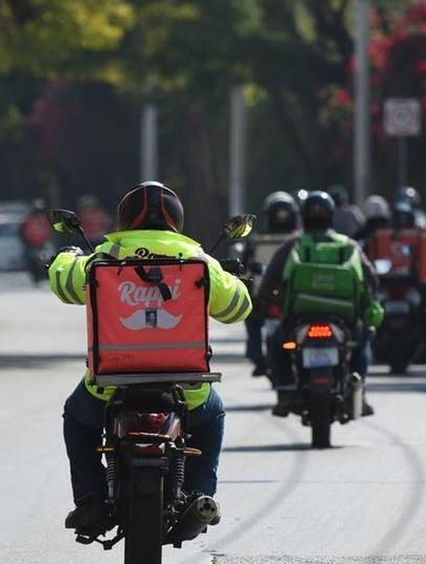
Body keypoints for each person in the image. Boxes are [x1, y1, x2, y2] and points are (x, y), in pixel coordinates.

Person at [48, 181, 252, 534]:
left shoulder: (105, 258)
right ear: (176, 220)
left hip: (110, 387)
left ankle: (91, 499)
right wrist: (226, 279)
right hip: (186, 389)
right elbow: (238, 308)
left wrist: (66, 257)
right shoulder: (199, 262)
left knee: (78, 419)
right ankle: (201, 496)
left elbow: (64, 285)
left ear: (125, 219)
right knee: (213, 414)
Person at [258, 190, 384, 415]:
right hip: (344, 319)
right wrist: (370, 300)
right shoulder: (349, 245)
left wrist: (265, 301)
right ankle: (359, 391)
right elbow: (371, 278)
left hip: (298, 319)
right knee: (363, 338)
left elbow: (269, 282)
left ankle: (286, 391)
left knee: (276, 341)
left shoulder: (291, 245)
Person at [243, 191, 301, 376]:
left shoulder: (255, 242)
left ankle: (257, 357)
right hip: (292, 298)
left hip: (264, 298)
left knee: (250, 317)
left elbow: (244, 268)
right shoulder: (301, 241)